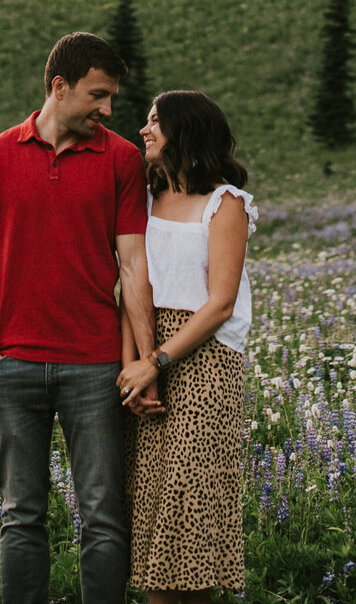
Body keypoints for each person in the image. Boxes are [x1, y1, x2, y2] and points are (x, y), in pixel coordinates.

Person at [0, 31, 157, 604]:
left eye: (112, 98)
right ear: (59, 86)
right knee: (21, 514)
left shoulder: (120, 158)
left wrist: (145, 360)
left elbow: (133, 263)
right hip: (12, 363)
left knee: (102, 514)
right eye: (97, 95)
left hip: (95, 365)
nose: (107, 108)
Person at [117, 90, 256, 603]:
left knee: (187, 505)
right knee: (152, 504)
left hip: (205, 360)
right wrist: (133, 364)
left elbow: (219, 303)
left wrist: (155, 361)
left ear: (186, 132)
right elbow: (132, 285)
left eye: (156, 122)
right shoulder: (145, 198)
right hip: (149, 347)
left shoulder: (226, 204)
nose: (144, 130)